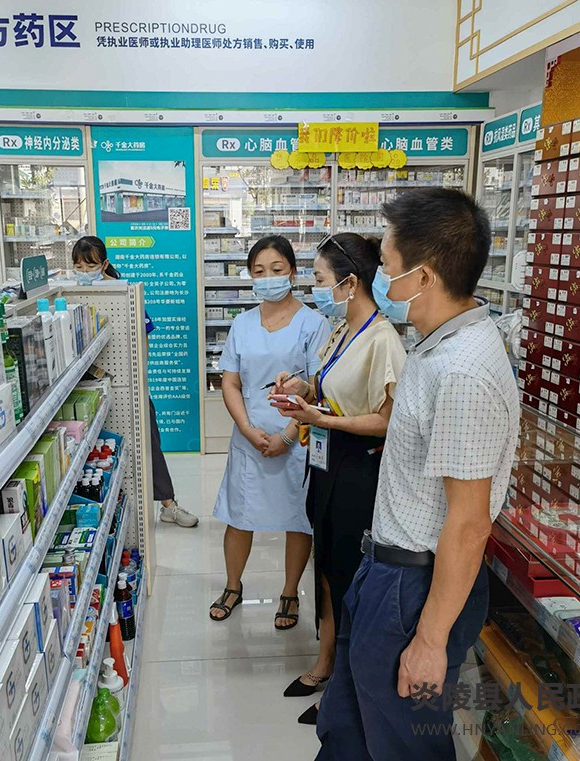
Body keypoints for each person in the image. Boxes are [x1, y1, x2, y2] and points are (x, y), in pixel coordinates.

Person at [315, 189, 520, 760]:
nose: (378, 277)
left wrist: (429, 640)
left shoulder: (464, 371)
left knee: (402, 744)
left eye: (385, 265)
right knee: (347, 730)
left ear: (424, 276)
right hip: (386, 571)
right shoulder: (435, 346)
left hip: (415, 590)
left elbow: (469, 524)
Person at [273, 233, 406, 725]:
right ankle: (325, 662)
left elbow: (388, 420)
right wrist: (302, 389)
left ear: (350, 283)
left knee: (351, 576)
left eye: (320, 278)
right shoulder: (340, 329)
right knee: (328, 568)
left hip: (359, 471)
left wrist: (321, 418)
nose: (315, 287)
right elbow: (329, 386)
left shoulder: (382, 339)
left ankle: (348, 692)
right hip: (327, 464)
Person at [209, 236, 331, 629]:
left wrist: (288, 436)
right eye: (259, 271)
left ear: (292, 273)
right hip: (249, 437)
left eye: (276, 270)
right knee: (239, 515)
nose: (268, 278)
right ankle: (232, 586)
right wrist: (247, 428)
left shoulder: (314, 324)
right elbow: (230, 382)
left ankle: (290, 592)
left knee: (298, 518)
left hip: (296, 439)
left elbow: (318, 388)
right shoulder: (242, 324)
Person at [71, 236, 199, 528]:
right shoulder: (69, 295)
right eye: (78, 266)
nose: (84, 272)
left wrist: (139, 381)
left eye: (90, 265)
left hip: (127, 382)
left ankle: (169, 505)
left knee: (148, 441)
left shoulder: (125, 292)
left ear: (104, 263)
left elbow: (144, 339)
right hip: (85, 386)